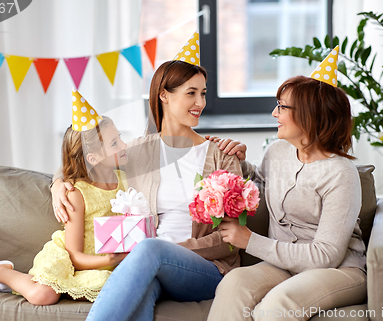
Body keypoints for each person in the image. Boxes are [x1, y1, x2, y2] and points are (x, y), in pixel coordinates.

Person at [51, 32, 245, 321]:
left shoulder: (221, 155)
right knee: (143, 290)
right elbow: (85, 159)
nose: (200, 102)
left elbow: (231, 239)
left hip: (207, 269)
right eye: (191, 93)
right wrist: (57, 182)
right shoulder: (138, 153)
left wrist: (169, 250)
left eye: (203, 93)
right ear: (164, 95)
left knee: (149, 250)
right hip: (150, 265)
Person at [207, 47, 367, 321]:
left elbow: (326, 255)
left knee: (278, 305)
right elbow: (261, 186)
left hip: (338, 270)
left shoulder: (341, 174)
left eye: (282, 106)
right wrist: (238, 162)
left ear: (310, 114)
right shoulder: (278, 151)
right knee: (234, 284)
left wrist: (250, 241)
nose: (273, 113)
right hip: (283, 265)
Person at [0, 92, 129, 305]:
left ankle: (25, 283)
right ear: (93, 158)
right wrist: (109, 260)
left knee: (118, 289)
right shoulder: (77, 194)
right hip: (72, 260)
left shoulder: (125, 180)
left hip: (105, 264)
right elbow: (74, 255)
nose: (124, 145)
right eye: (115, 143)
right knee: (44, 295)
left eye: (119, 138)